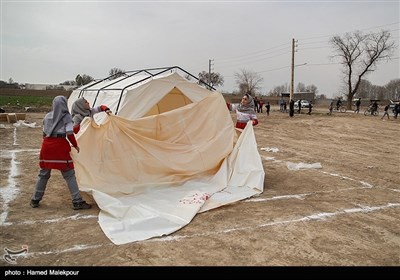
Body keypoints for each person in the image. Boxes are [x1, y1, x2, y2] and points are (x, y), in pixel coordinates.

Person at [30, 96, 92, 210]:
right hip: (59, 147)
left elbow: (44, 131)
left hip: (46, 146)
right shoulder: (66, 117)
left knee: (43, 174)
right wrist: (75, 145)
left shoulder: (47, 116)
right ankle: (77, 201)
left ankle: (35, 199)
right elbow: (69, 133)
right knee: (69, 174)